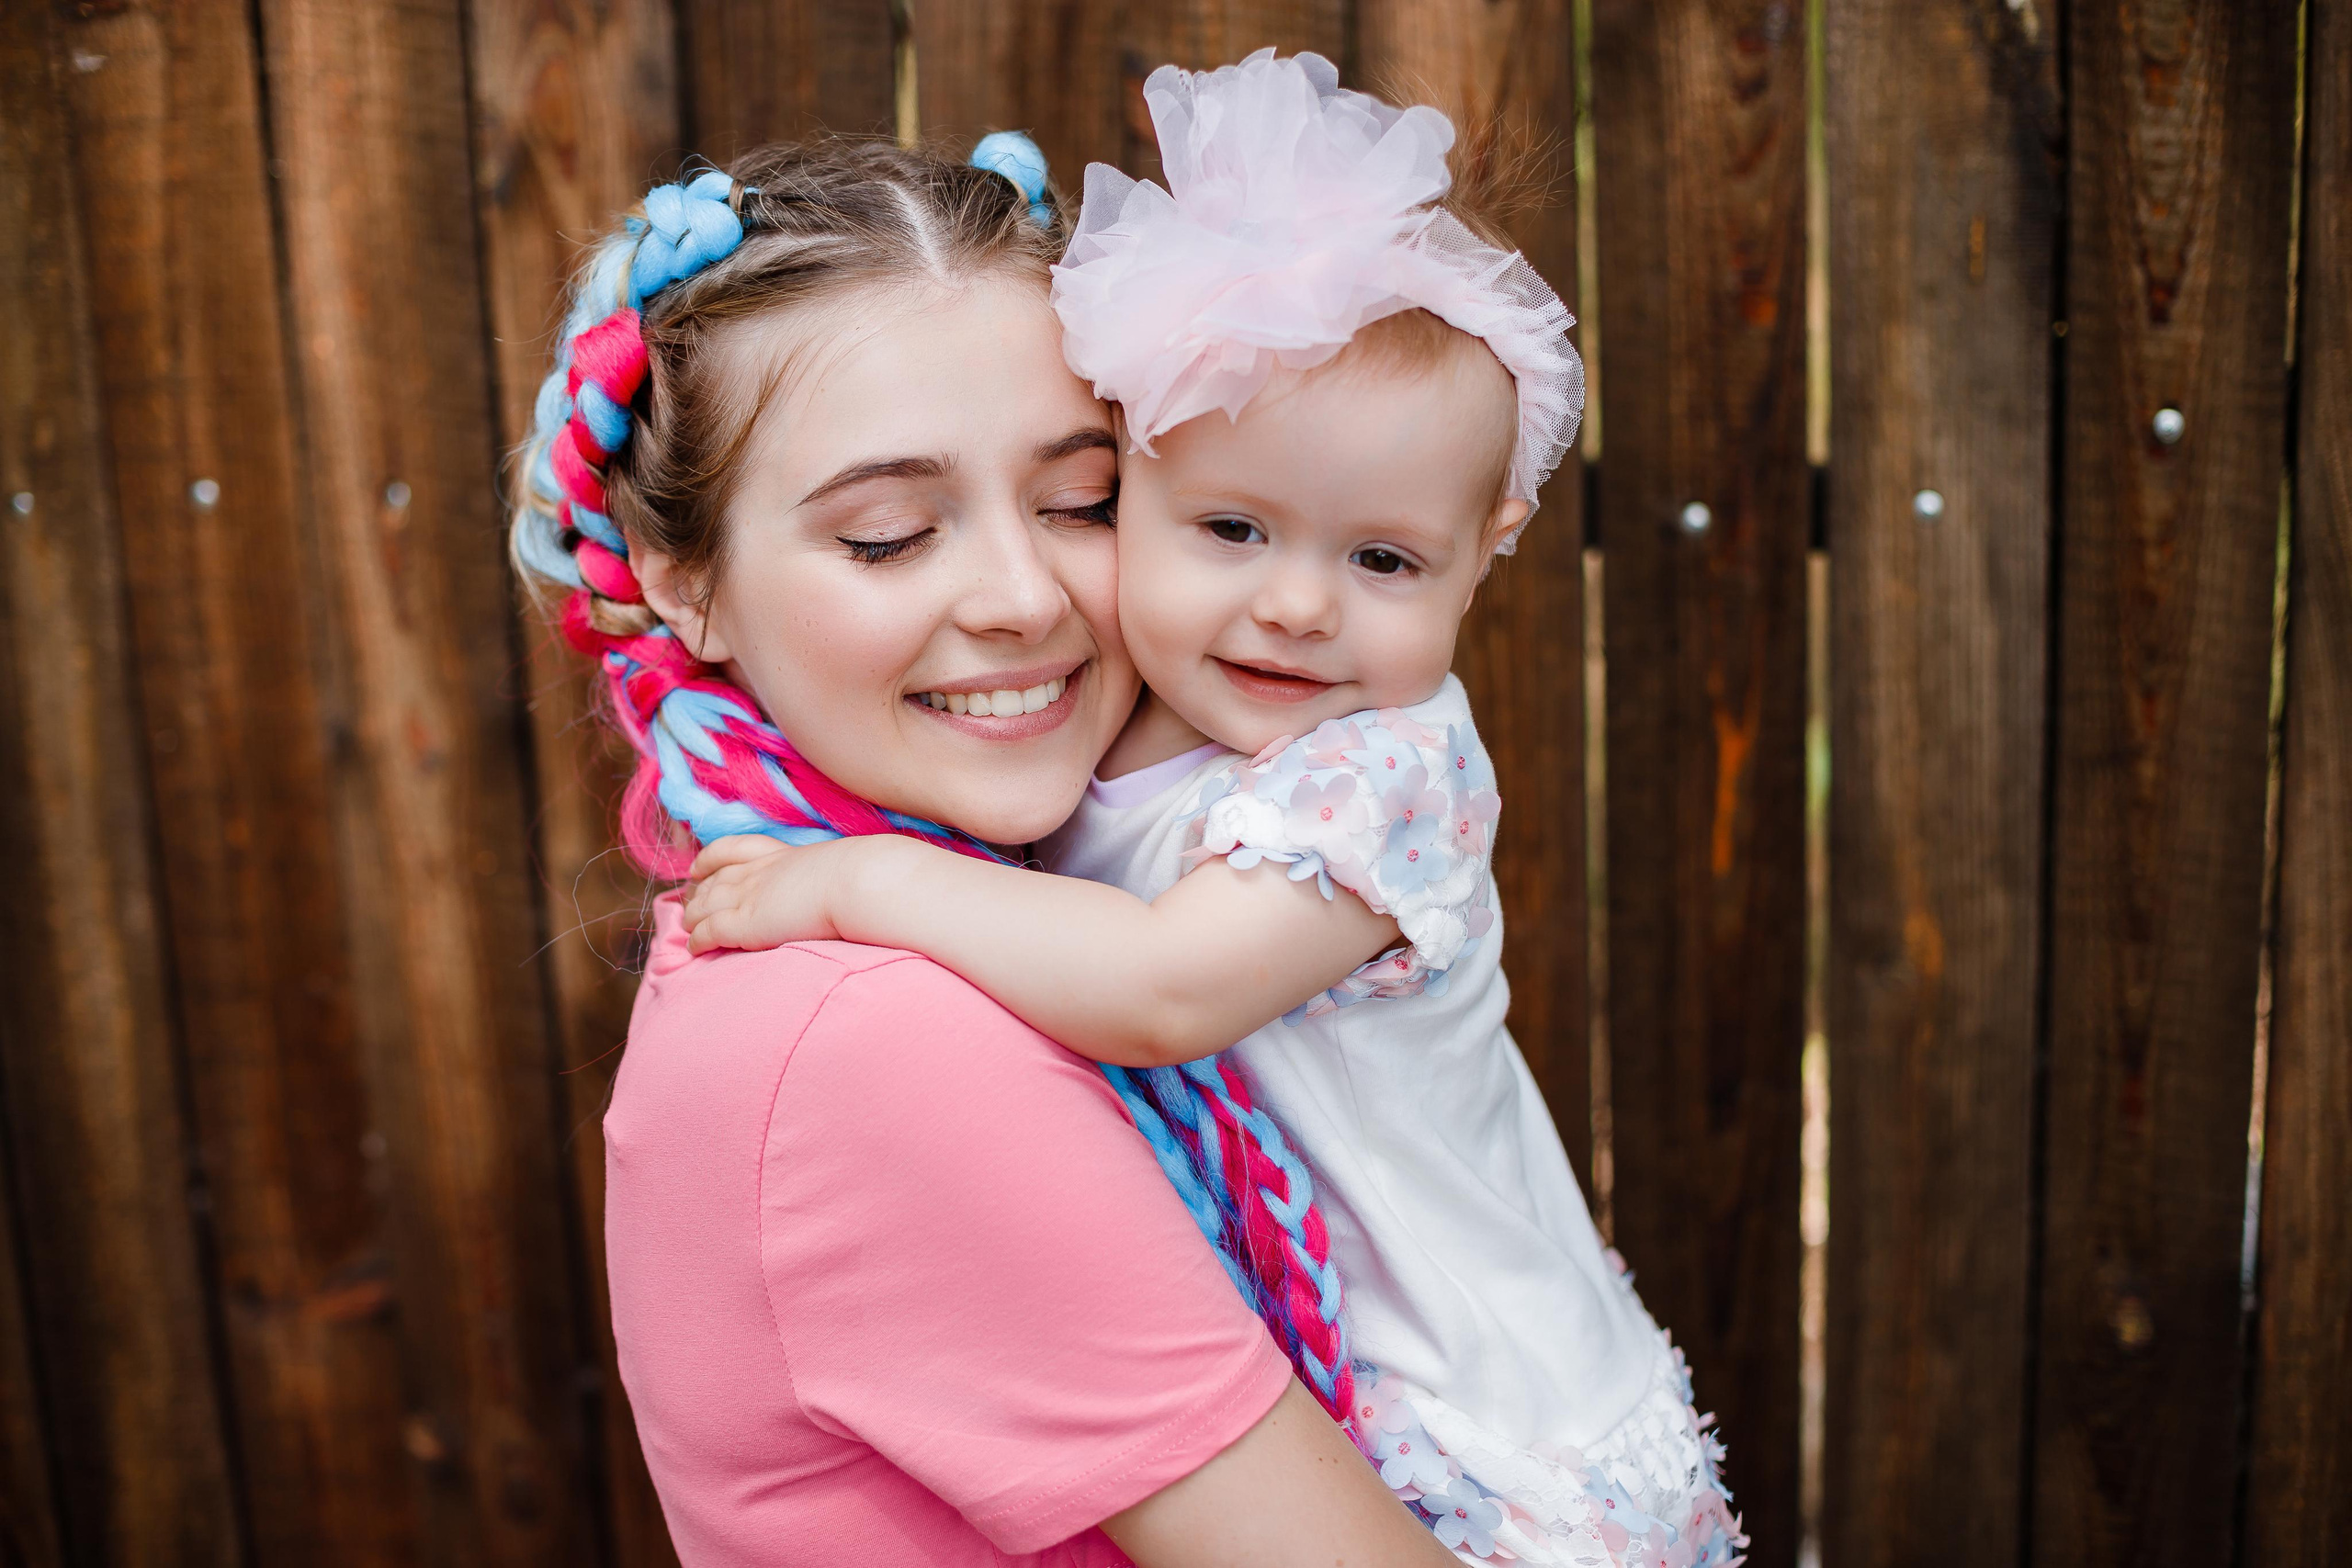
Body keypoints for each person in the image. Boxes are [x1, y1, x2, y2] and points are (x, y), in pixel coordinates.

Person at [684, 55, 1746, 1568]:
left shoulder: (1380, 780)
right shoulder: (1114, 716)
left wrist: (850, 890)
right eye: (1229, 528)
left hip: (1500, 1423)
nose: (1300, 606)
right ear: (1153, 469)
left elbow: (1165, 990)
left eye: (1385, 562)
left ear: (1489, 544)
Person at [510, 139, 1461, 1566]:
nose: (1022, 596)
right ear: (682, 584)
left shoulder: (1022, 909)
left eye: (1080, 502)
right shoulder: (873, 1042)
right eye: (890, 537)